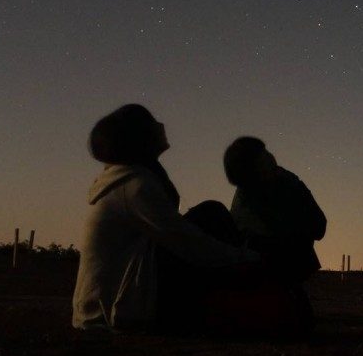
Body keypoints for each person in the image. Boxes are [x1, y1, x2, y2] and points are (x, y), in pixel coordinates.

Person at [72, 104, 306, 336]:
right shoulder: (135, 187)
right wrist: (248, 259)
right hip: (118, 309)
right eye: (153, 122)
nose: (162, 125)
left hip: (123, 296)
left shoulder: (132, 180)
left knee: (210, 220)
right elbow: (186, 242)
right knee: (211, 216)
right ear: (141, 137)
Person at [223, 136, 327, 284]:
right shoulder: (253, 194)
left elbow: (318, 226)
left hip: (282, 267)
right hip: (267, 269)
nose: (269, 156)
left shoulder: (285, 183)